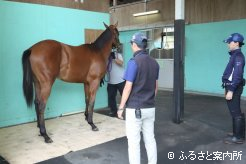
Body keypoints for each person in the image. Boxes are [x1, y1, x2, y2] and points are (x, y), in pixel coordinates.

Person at [117, 32, 159, 164]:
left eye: (131, 44)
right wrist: (149, 99)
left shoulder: (134, 62)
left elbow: (127, 87)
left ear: (134, 44)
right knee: (150, 139)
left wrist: (121, 107)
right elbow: (155, 87)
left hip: (135, 109)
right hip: (150, 107)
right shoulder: (154, 62)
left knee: (134, 142)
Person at [222, 33, 245, 144]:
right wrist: (226, 87)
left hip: (234, 87)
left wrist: (230, 90)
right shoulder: (234, 55)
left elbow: (237, 75)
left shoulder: (238, 56)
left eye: (229, 42)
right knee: (234, 111)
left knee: (235, 112)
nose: (228, 44)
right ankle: (237, 132)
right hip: (231, 86)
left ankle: (238, 137)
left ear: (236, 43)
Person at [107, 47, 125, 117]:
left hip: (121, 80)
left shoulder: (118, 55)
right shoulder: (106, 57)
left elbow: (121, 63)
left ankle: (129, 109)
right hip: (111, 82)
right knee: (111, 97)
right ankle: (113, 111)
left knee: (124, 96)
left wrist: (114, 58)